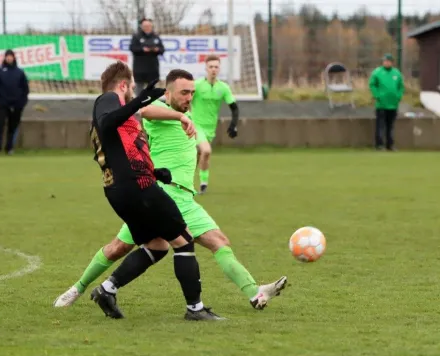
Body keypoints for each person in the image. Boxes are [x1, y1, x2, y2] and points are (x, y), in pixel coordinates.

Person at [54, 68, 288, 312]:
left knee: (211, 242)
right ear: (168, 94)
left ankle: (254, 292)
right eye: (184, 93)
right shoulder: (161, 111)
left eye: (192, 93)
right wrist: (179, 117)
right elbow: (143, 110)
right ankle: (78, 289)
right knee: (122, 248)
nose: (189, 97)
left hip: (183, 196)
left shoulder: (188, 113)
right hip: (162, 194)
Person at [86, 61, 222, 321]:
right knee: (184, 239)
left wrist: (154, 172)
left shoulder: (116, 109)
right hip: (136, 190)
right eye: (132, 88)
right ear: (123, 85)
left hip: (123, 188)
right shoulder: (108, 100)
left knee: (157, 245)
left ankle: (107, 289)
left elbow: (120, 151)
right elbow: (106, 123)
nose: (133, 92)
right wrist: (138, 102)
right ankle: (195, 309)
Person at [192, 55, 239, 194]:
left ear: (219, 69)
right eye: (211, 66)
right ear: (206, 68)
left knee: (200, 156)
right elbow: (185, 100)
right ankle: (203, 185)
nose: (213, 69)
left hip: (210, 128)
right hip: (196, 125)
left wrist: (233, 125)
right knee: (206, 151)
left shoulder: (223, 87)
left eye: (216, 67)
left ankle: (197, 182)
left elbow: (234, 107)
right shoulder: (197, 85)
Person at [0, 49, 30, 155]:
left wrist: (22, 103)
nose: (9, 58)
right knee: (0, 125)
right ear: (5, 57)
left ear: (14, 57)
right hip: (2, 105)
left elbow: (25, 89)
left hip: (16, 106)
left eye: (11, 56)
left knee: (13, 127)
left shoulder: (19, 73)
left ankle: (9, 148)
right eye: (7, 56)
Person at [368, 53, 404, 151]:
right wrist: (377, 95)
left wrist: (398, 96)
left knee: (390, 126)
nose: (386, 63)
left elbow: (401, 86)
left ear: (391, 62)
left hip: (393, 104)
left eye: (388, 61)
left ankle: (390, 145)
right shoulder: (377, 72)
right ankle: (379, 145)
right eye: (385, 61)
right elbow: (372, 84)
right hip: (381, 104)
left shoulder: (396, 73)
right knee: (380, 125)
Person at [129, 18, 165, 97]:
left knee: (152, 90)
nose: (147, 27)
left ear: (151, 26)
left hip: (152, 68)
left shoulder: (156, 36)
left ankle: (152, 106)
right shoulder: (136, 36)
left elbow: (162, 49)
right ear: (141, 26)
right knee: (139, 89)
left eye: (149, 26)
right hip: (140, 68)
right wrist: (142, 49)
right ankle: (138, 106)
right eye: (145, 26)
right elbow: (132, 48)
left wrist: (157, 49)